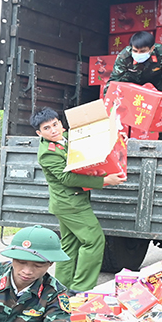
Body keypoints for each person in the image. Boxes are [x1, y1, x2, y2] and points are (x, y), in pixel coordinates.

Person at [34, 107, 126, 292]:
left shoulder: (66, 139)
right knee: (94, 241)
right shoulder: (48, 152)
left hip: (69, 202)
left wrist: (117, 139)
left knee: (69, 245)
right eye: (46, 128)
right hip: (70, 204)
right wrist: (105, 180)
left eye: (55, 124)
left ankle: (60, 288)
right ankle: (81, 288)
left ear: (61, 124)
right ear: (39, 133)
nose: (53, 130)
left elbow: (90, 144)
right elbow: (67, 178)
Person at [106, 31, 162, 140]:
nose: (138, 54)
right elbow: (114, 80)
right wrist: (108, 99)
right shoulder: (124, 56)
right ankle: (112, 133)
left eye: (142, 51)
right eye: (135, 51)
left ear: (152, 49)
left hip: (156, 77)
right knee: (115, 96)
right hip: (130, 78)